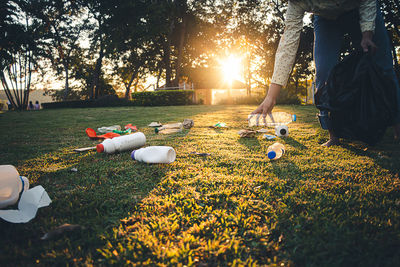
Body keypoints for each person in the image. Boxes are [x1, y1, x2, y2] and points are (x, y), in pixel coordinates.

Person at [251, 0, 400, 146]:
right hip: (325, 19)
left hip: (359, 6)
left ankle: (397, 123)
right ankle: (333, 134)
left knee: (383, 66)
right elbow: (288, 45)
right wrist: (271, 96)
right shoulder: (295, 3)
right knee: (324, 72)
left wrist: (367, 34)